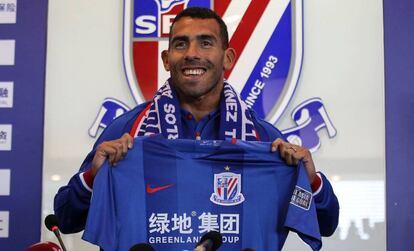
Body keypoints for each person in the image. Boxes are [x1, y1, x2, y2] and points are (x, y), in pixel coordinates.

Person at [54, 7, 339, 238]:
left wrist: (311, 180)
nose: (192, 53)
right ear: (167, 59)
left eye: (206, 42)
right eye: (181, 44)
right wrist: (93, 177)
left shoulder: (264, 139)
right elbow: (66, 219)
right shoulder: (126, 130)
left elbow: (326, 225)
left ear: (227, 58)